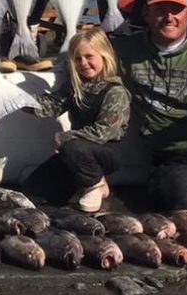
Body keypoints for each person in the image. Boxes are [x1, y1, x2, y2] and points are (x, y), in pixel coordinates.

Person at [27, 27, 130, 213]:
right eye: (77, 59)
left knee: (73, 146)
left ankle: (95, 183)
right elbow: (48, 107)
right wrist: (13, 98)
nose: (83, 63)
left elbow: (104, 132)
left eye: (89, 56)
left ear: (104, 55)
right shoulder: (75, 88)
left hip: (106, 153)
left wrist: (64, 137)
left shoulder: (115, 92)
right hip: (75, 154)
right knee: (33, 191)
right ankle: (83, 182)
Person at [113, 0, 187, 209]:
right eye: (160, 10)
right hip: (173, 160)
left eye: (176, 10)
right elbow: (85, 53)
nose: (169, 17)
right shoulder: (125, 51)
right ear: (146, 14)